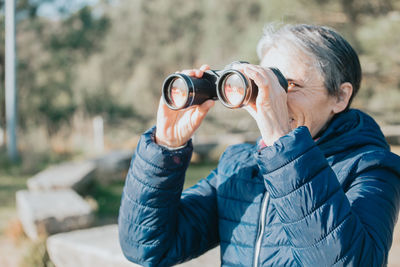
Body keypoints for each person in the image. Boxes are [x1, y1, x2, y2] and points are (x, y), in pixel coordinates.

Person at [118, 24, 400, 266]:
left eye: (288, 85)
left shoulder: (372, 168)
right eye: (265, 83)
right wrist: (166, 146)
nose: (271, 98)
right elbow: (148, 247)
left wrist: (282, 144)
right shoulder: (241, 164)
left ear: (340, 96)